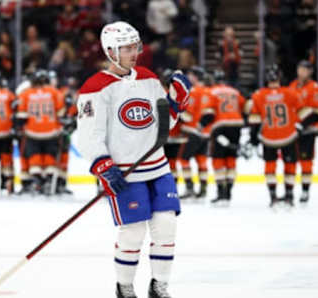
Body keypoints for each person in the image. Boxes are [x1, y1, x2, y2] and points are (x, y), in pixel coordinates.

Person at [75, 21, 191, 298]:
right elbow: (89, 135)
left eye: (135, 46)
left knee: (166, 227)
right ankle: (125, 288)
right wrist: (103, 166)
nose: (134, 52)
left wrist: (177, 103)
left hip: (158, 167)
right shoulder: (95, 87)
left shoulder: (148, 77)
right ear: (111, 51)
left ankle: (159, 286)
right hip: (125, 173)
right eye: (127, 47)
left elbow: (164, 125)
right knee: (133, 232)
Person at [249, 64, 312, 208]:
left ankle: (273, 197)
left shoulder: (259, 95)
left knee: (270, 166)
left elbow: (254, 120)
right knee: (290, 165)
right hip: (288, 135)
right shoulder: (290, 93)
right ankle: (289, 196)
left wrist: (254, 137)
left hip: (268, 137)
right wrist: (303, 126)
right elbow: (305, 114)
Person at [202, 69, 248, 205]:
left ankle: (221, 193)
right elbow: (245, 108)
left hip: (220, 126)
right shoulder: (234, 91)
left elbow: (209, 114)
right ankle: (228, 193)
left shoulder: (211, 92)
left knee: (218, 159)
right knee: (231, 158)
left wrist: (200, 125)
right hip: (236, 125)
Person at [15, 69, 65, 196]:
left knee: (34, 157)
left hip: (32, 131)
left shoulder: (25, 94)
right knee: (49, 156)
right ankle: (48, 181)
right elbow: (61, 112)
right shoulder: (54, 92)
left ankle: (37, 181)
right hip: (51, 130)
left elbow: (22, 115)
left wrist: (18, 127)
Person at [288, 60, 318, 203]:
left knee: (306, 161)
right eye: (300, 69)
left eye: (305, 69)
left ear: (310, 72)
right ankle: (289, 192)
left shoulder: (315, 88)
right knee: (290, 161)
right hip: (293, 130)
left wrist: (303, 125)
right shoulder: (292, 86)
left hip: (308, 131)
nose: (302, 72)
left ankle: (305, 191)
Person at [179, 66, 211, 199]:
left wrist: (178, 114)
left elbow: (188, 115)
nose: (188, 77)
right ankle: (203, 190)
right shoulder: (210, 92)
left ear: (196, 77)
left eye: (191, 75)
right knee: (201, 160)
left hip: (192, 131)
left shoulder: (192, 92)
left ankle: (190, 188)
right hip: (206, 133)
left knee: (184, 160)